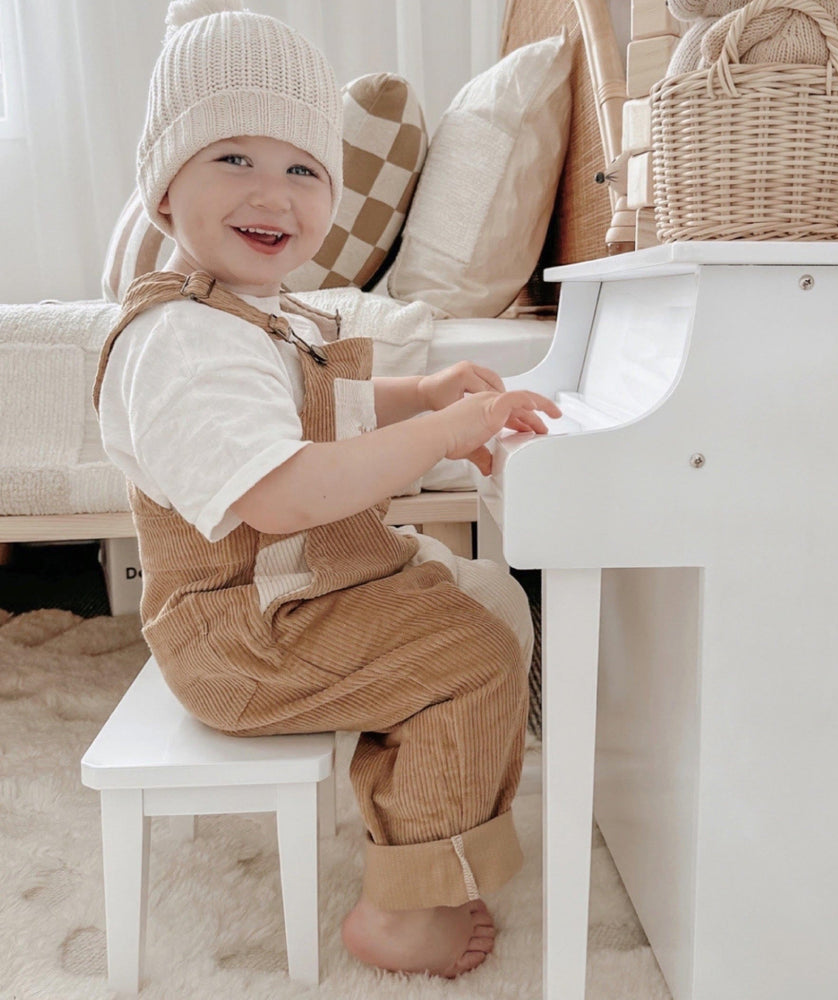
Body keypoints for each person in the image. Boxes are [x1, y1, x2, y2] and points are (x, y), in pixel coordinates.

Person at [94, 0, 560, 980]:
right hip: (239, 631)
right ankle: (405, 909)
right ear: (163, 187)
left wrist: (420, 393)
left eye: (302, 168)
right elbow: (285, 493)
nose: (273, 192)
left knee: (472, 593)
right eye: (233, 158)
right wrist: (441, 432)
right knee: (472, 652)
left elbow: (320, 410)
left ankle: (412, 814)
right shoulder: (180, 341)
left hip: (286, 593)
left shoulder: (259, 316)